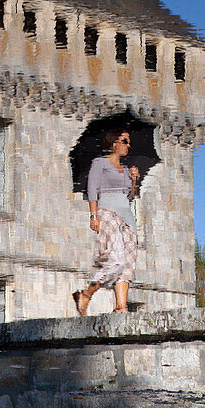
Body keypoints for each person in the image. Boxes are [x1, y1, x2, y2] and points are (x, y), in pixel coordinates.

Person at [72, 128, 140, 315]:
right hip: (107, 213)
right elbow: (92, 189)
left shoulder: (126, 169)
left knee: (128, 264)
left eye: (129, 142)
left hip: (127, 217)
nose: (128, 145)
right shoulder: (100, 163)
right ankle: (87, 293)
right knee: (116, 259)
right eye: (124, 141)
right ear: (113, 143)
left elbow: (131, 196)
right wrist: (93, 216)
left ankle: (121, 307)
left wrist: (134, 180)